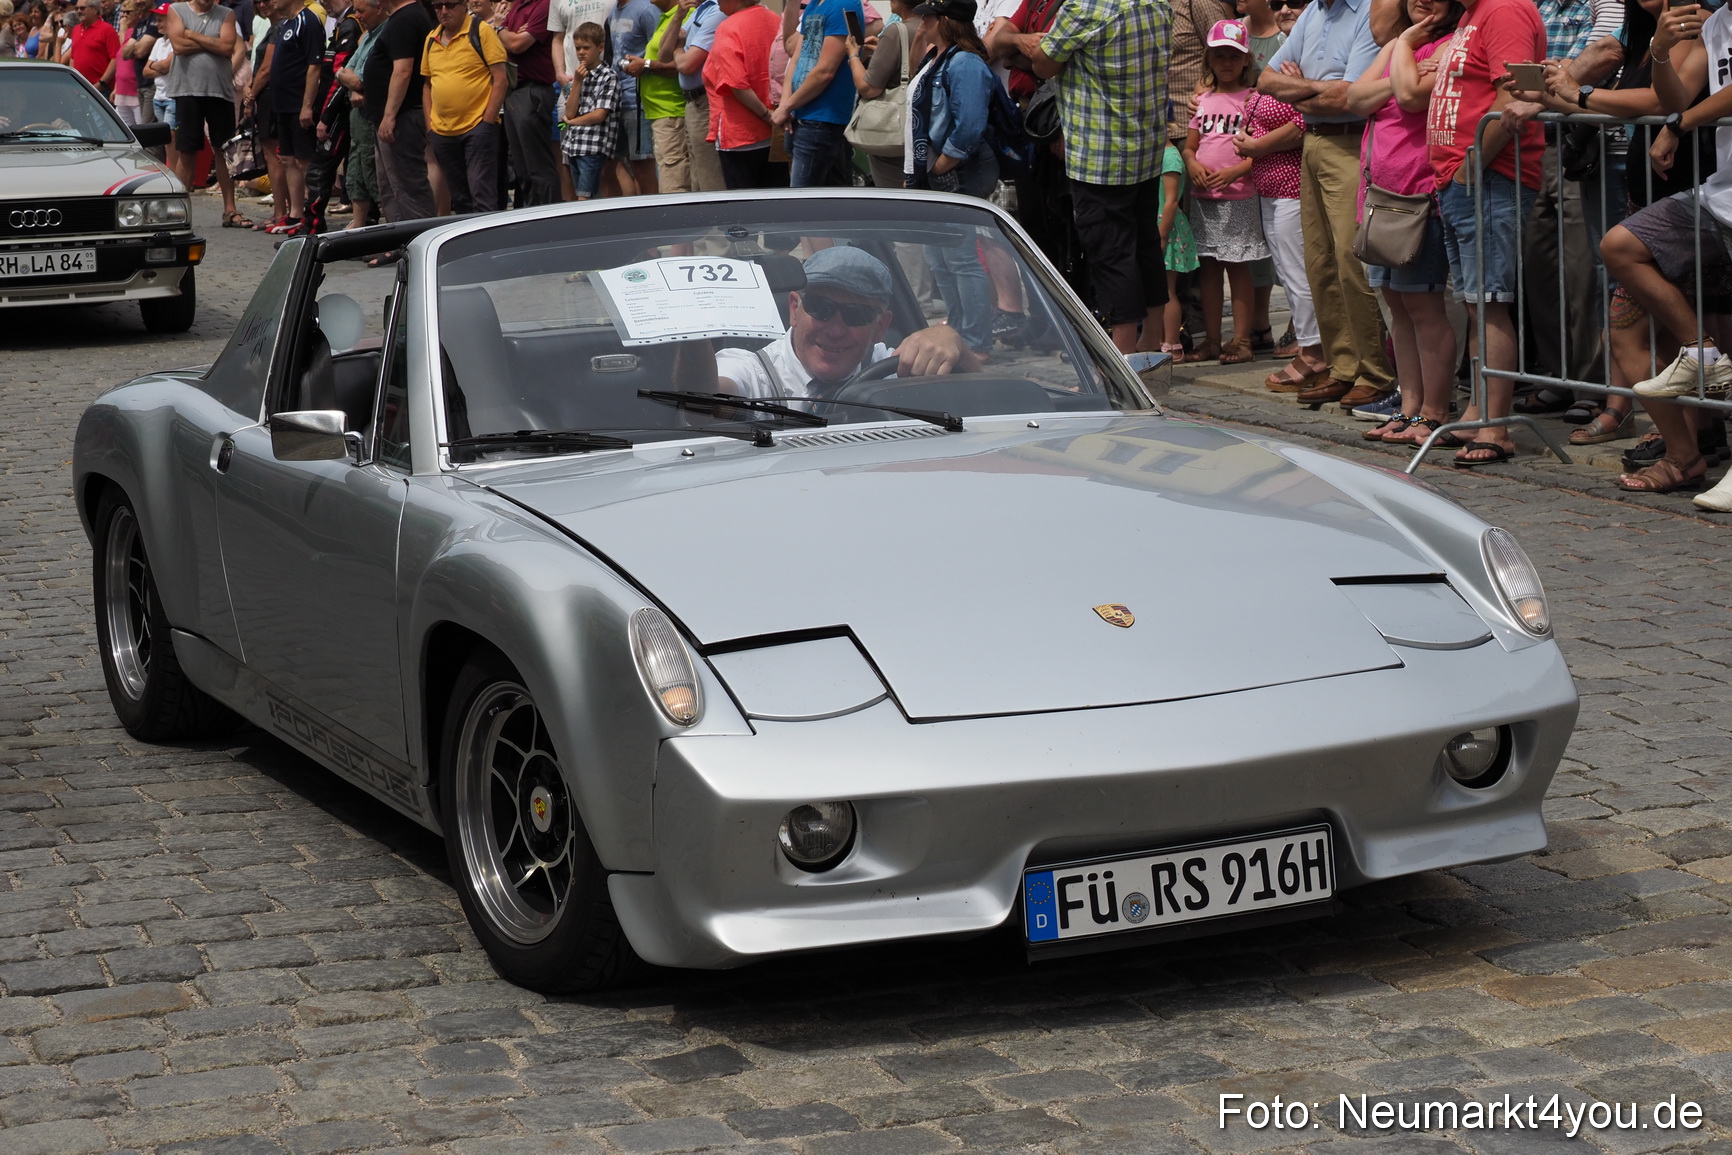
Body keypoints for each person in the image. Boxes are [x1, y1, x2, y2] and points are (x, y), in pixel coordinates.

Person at [1603, 0, 1732, 500]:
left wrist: (1677, 126)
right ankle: (1701, 353)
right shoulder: (1716, 24)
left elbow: (1680, 115)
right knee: (1621, 246)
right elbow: (1676, 98)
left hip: (1706, 190)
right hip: (1718, 195)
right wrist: (1659, 52)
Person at [1424, 0, 1546, 466]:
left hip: (1490, 176)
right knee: (1479, 303)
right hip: (1466, 178)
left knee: (1490, 302)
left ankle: (1495, 425)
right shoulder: (1472, 13)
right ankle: (1480, 411)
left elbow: (1512, 97)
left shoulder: (1504, 9)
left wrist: (1472, 164)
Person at [1256, 0, 1393, 410]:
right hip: (1314, 141)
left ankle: (1375, 372)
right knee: (1319, 262)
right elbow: (1264, 79)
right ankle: (1343, 366)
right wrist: (1317, 91)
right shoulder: (1315, 13)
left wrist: (1299, 91)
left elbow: (1350, 98)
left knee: (1352, 262)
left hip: (1350, 142)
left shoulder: (1368, 12)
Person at [1012, 0, 1169, 354]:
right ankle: (1153, 338)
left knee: (1111, 252)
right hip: (1144, 147)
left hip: (1100, 154)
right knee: (1144, 245)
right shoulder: (1157, 2)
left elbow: (1044, 63)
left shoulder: (1087, 7)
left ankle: (1123, 355)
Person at [1343, 0, 1460, 444]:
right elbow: (1355, 97)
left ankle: (1434, 411)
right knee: (1397, 306)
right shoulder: (1400, 43)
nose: (1420, 1)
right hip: (1378, 196)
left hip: (1419, 194)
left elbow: (1412, 97)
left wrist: (1397, 69)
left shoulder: (1451, 45)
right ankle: (1409, 408)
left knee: (1424, 308)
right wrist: (1405, 54)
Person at [689, 246, 982, 399]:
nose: (836, 329)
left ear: (881, 326)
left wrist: (953, 342)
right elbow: (706, 400)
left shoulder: (897, 370)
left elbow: (986, 404)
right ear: (794, 307)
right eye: (821, 308)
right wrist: (690, 331)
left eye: (857, 315)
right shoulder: (752, 371)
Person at [905, 0, 998, 354]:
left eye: (928, 16)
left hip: (955, 172)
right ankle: (960, 330)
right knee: (939, 259)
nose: (922, 21)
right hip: (936, 172)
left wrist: (942, 164)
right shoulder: (939, 59)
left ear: (944, 20)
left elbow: (970, 124)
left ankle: (974, 339)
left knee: (959, 259)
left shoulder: (964, 62)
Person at [1183, 20, 1267, 364]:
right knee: (1209, 268)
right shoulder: (1202, 100)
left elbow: (1261, 150)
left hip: (1239, 197)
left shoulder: (1252, 99)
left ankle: (1242, 339)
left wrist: (1236, 169)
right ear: (1209, 59)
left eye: (1234, 56)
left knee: (1238, 266)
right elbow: (1191, 147)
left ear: (1246, 59)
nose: (1227, 63)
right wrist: (1191, 164)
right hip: (1205, 200)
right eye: (1219, 56)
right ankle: (1213, 339)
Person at [1235, 65, 1319, 388]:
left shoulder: (1296, 70)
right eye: (1278, 7)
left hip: (1291, 190)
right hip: (1268, 190)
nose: (1286, 10)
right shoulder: (1275, 66)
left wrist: (1256, 147)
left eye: (1295, 8)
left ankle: (1312, 350)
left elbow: (1301, 124)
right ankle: (1310, 346)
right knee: (1286, 272)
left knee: (1298, 274)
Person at [162, 0, 247, 227]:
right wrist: (213, 42)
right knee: (187, 152)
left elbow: (227, 47)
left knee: (224, 151)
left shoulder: (226, 14)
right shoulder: (176, 10)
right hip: (187, 90)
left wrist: (192, 34)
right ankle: (176, 212)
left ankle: (230, 210)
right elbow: (178, 46)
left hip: (219, 91)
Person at [421, 0, 506, 212]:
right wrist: (430, 126)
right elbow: (428, 85)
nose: (443, 11)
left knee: (482, 194)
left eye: (449, 5)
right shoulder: (431, 39)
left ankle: (487, 244)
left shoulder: (481, 31)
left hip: (477, 128)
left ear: (463, 5)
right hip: (442, 131)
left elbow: (501, 78)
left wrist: (487, 122)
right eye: (438, 6)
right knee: (459, 198)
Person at [773, 0, 865, 186]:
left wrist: (788, 105)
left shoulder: (843, 5)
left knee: (801, 199)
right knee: (831, 193)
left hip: (822, 118)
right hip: (801, 113)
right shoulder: (815, 5)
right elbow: (796, 58)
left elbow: (825, 71)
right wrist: (787, 104)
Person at [252, 0, 322, 232]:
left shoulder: (308, 21)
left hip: (297, 104)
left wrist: (307, 105)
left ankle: (312, 213)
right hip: (281, 105)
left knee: (304, 160)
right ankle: (295, 214)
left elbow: (314, 66)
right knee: (288, 159)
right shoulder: (286, 24)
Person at [366, 0, 435, 220]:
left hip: (402, 117)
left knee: (408, 188)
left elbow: (403, 71)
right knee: (390, 188)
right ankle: (396, 244)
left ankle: (418, 242)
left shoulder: (406, 19)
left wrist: (389, 116)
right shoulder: (399, 18)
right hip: (392, 116)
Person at [302, 0, 363, 233]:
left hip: (341, 110)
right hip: (340, 108)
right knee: (348, 167)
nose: (325, 2)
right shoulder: (342, 25)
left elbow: (340, 77)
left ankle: (312, 227)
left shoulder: (350, 25)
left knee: (320, 167)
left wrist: (326, 116)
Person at [704, 0, 776, 188]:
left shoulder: (728, 27)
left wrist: (767, 115)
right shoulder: (776, 20)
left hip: (740, 132)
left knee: (743, 205)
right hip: (776, 131)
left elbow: (736, 84)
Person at [844, 0, 915, 190]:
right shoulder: (927, 27)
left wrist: (852, 55)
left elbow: (868, 87)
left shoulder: (896, 31)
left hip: (893, 135)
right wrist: (883, 50)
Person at [496, 0, 560, 205]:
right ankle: (532, 220)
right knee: (522, 170)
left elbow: (517, 44)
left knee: (537, 167)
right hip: (513, 92)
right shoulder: (516, 7)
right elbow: (502, 40)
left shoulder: (543, 6)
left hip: (533, 91)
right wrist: (506, 32)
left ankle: (550, 220)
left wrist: (501, 29)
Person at [663, 0, 727, 191]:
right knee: (697, 180)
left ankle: (716, 219)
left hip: (706, 101)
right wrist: (678, 16)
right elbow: (664, 54)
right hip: (691, 103)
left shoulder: (717, 11)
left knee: (710, 177)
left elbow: (685, 65)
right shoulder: (698, 10)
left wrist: (678, 47)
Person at [335, 0, 384, 227]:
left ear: (379, 8)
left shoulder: (385, 35)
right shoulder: (366, 37)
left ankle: (392, 227)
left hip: (372, 116)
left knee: (373, 172)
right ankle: (358, 223)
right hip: (356, 117)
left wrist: (353, 83)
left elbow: (356, 78)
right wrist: (353, 85)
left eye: (361, 11)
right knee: (355, 171)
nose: (357, 16)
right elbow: (343, 70)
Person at [606, 0, 660, 193]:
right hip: (616, 99)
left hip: (638, 99)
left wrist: (643, 66)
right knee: (617, 163)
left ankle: (653, 215)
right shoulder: (614, 11)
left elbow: (661, 52)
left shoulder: (646, 10)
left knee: (643, 165)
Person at [636, 0, 690, 192]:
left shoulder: (685, 15)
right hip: (660, 114)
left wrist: (646, 65)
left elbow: (681, 65)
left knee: (674, 184)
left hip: (672, 111)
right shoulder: (666, 16)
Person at [560, 19, 616, 197]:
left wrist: (573, 122)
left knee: (584, 197)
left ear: (600, 47)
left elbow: (599, 114)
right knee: (584, 195)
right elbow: (569, 111)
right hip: (574, 146)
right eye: (577, 48)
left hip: (593, 147)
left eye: (586, 48)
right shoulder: (579, 75)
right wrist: (576, 82)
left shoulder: (608, 76)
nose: (581, 53)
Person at [1157, 141, 1200, 355]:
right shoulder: (1154, 153)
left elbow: (1171, 200)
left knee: (1167, 290)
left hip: (1166, 227)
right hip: (1154, 226)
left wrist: (1163, 234)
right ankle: (1158, 339)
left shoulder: (1170, 157)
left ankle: (1172, 343)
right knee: (1155, 290)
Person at [64, 0, 120, 92]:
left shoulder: (107, 30)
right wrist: (74, 81)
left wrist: (101, 84)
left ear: (94, 10)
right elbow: (73, 58)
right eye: (77, 8)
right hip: (79, 88)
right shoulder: (76, 30)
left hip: (102, 89)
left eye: (82, 8)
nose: (78, 11)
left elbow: (115, 59)